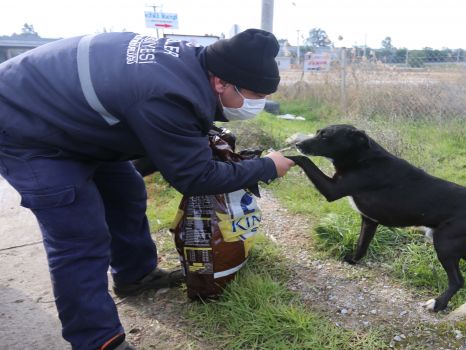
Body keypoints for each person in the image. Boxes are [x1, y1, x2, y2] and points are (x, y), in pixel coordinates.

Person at [0, 28, 295, 350]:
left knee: (126, 191)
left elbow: (165, 134)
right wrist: (268, 166)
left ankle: (134, 275)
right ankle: (98, 340)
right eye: (253, 97)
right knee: (80, 236)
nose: (257, 105)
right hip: (24, 128)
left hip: (76, 121)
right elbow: (194, 178)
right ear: (221, 82)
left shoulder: (191, 65)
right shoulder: (168, 94)